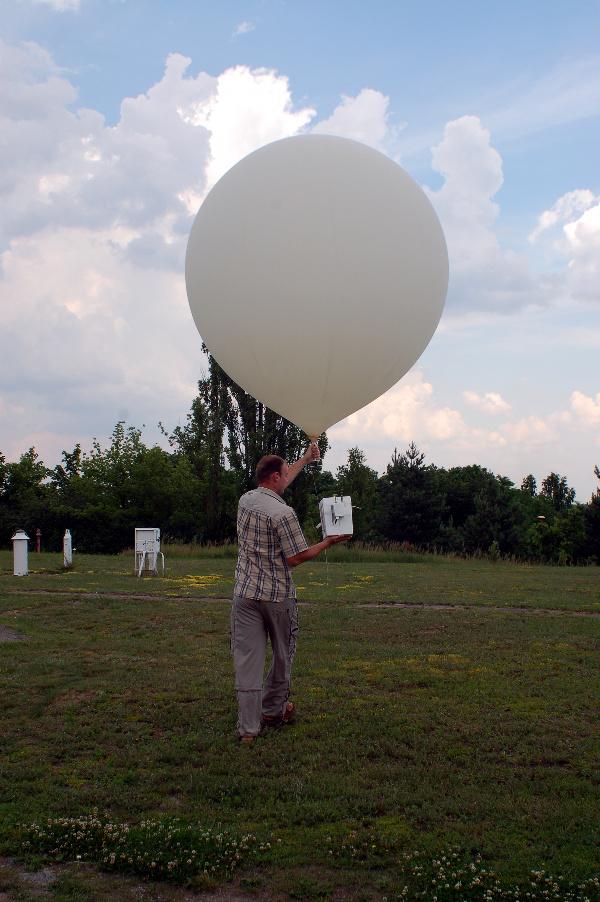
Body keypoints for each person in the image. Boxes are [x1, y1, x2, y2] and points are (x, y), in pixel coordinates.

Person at [231, 443, 350, 743]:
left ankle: (247, 729)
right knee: (282, 656)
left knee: (247, 661)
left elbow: (283, 477)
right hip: (276, 596)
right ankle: (273, 709)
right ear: (274, 477)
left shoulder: (246, 500)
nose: (287, 477)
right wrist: (328, 542)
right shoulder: (284, 514)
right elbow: (295, 558)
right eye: (285, 474)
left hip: (244, 594)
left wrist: (306, 460)